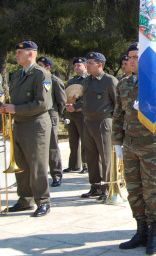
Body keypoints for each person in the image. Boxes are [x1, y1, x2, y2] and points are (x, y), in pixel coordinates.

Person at [113, 42, 156, 255]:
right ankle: (140, 229)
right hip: (130, 144)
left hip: (151, 145)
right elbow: (118, 114)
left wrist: (149, 108)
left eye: (138, 57)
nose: (133, 61)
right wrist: (117, 142)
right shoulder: (123, 84)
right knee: (134, 190)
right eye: (131, 57)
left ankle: (153, 233)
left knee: (151, 190)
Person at [1, 41, 52, 217]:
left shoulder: (41, 74)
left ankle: (43, 201)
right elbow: (14, 98)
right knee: (21, 164)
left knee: (37, 164)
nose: (16, 55)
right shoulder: (17, 75)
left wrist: (16, 109)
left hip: (35, 124)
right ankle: (25, 199)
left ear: (31, 54)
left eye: (19, 52)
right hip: (20, 124)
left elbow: (42, 103)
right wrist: (7, 106)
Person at [67, 51, 118, 201]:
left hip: (103, 121)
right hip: (87, 120)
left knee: (105, 156)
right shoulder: (87, 80)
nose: (87, 65)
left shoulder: (110, 81)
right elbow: (85, 99)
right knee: (91, 156)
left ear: (100, 65)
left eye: (90, 63)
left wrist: (116, 125)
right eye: (87, 63)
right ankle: (95, 186)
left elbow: (117, 104)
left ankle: (107, 188)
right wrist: (75, 106)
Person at [37, 56, 67, 188]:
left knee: (52, 147)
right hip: (38, 117)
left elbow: (62, 100)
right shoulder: (37, 79)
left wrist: (56, 115)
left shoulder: (54, 80)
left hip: (51, 115)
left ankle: (56, 175)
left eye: (40, 65)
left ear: (47, 67)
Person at [63, 57, 89, 174]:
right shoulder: (72, 80)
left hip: (82, 113)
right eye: (75, 66)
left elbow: (87, 97)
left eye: (79, 65)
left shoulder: (88, 79)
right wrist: (68, 106)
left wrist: (76, 106)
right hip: (71, 113)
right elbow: (67, 94)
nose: (76, 67)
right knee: (73, 140)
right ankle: (73, 165)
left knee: (85, 140)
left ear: (85, 66)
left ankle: (86, 165)